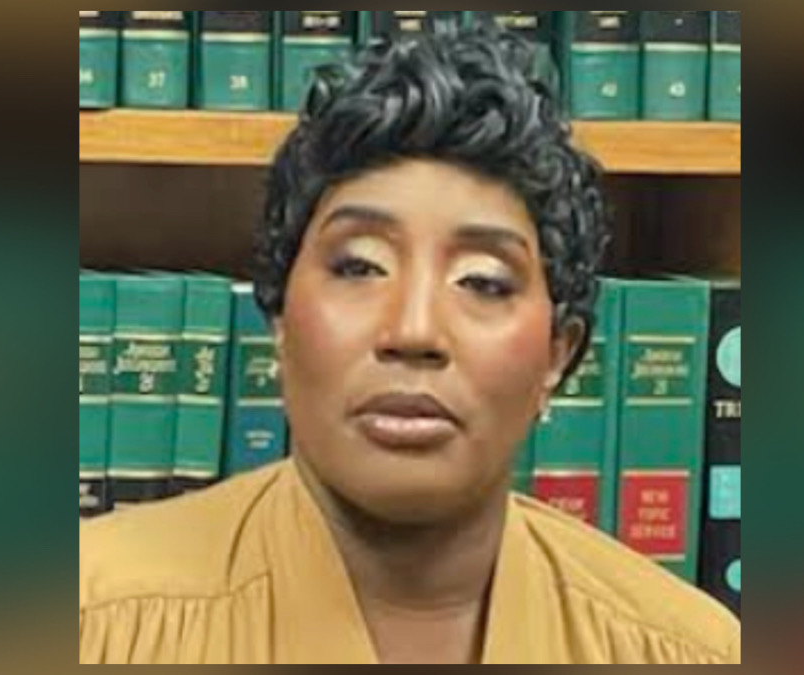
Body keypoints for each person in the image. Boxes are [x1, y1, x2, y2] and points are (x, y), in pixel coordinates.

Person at [79, 26, 741, 665]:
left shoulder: (690, 652)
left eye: (483, 281)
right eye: (359, 266)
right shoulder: (93, 626)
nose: (414, 330)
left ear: (557, 355)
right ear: (279, 319)